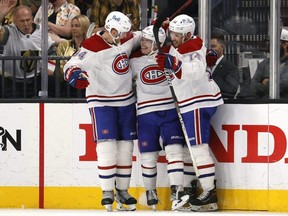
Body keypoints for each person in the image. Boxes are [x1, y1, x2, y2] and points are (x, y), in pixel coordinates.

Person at [63, 11, 141, 211]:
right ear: (112, 30)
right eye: (121, 32)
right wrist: (74, 74)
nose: (125, 36)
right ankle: (107, 191)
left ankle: (123, 191)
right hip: (101, 101)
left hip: (126, 101)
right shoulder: (91, 46)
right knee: (106, 145)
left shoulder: (127, 39)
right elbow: (71, 65)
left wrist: (161, 26)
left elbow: (144, 35)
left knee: (126, 147)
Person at [155, 14, 224, 212]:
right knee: (191, 148)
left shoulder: (192, 48)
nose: (173, 37)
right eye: (172, 33)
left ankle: (210, 193)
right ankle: (196, 189)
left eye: (177, 34)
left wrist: (173, 64)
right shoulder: (184, 45)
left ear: (187, 35)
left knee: (198, 148)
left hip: (197, 102)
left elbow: (195, 70)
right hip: (192, 101)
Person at [130, 25, 190, 211]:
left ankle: (177, 192)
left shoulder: (171, 56)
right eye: (143, 39)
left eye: (148, 40)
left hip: (170, 111)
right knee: (148, 155)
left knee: (175, 151)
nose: (143, 43)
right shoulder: (134, 59)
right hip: (146, 114)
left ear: (157, 43)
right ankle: (150, 192)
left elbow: (184, 76)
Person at [0, 3, 55, 98]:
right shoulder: (8, 32)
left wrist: (50, 67)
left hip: (34, 80)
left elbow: (51, 50)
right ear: (15, 21)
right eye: (22, 21)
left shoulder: (41, 31)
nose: (26, 24)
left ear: (32, 18)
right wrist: (1, 15)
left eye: (28, 20)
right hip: (10, 82)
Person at [49, 14, 90, 97]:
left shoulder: (91, 45)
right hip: (67, 83)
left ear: (84, 27)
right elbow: (59, 66)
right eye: (72, 26)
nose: (74, 28)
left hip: (86, 84)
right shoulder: (64, 45)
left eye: (77, 26)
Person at [250, 28, 288, 99]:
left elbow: (284, 85)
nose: (271, 46)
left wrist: (266, 82)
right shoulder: (264, 63)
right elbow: (253, 87)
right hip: (264, 106)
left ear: (285, 44)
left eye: (274, 42)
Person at [210, 31, 239, 99]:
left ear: (222, 47)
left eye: (213, 46)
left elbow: (230, 91)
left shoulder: (230, 68)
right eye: (208, 46)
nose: (209, 49)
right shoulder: (202, 65)